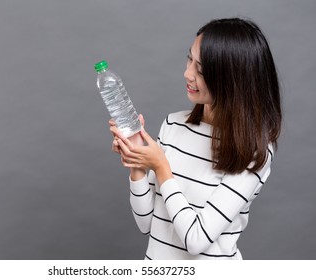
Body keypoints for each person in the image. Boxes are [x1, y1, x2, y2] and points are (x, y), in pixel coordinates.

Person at [109, 18, 282, 260]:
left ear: (232, 81)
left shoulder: (254, 152)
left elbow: (196, 239)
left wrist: (161, 167)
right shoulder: (173, 124)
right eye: (189, 59)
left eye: (200, 69)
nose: (187, 73)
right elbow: (146, 223)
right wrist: (137, 164)